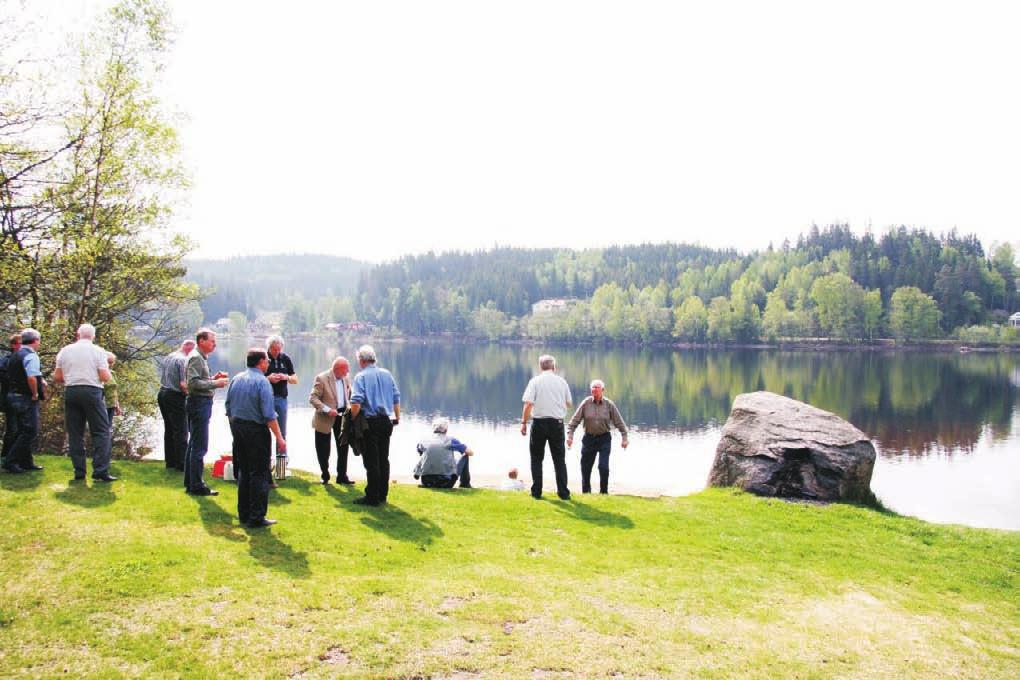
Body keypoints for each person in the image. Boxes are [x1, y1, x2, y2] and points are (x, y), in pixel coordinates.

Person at [225, 348, 286, 528]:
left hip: (238, 427)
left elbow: (228, 407)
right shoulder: (262, 382)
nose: (268, 363)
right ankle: (257, 516)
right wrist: (280, 438)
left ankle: (243, 513)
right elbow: (269, 414)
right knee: (259, 472)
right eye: (266, 360)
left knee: (244, 470)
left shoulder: (236, 379)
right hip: (256, 430)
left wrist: (236, 428)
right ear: (260, 362)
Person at [53, 324, 114, 482]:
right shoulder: (98, 351)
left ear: (77, 334)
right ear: (93, 336)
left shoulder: (65, 351)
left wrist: (74, 377)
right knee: (101, 431)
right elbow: (105, 376)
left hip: (71, 391)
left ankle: (79, 470)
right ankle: (100, 470)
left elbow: (58, 377)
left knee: (75, 433)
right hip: (92, 391)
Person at [349, 344, 400, 506]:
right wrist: (397, 417)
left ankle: (372, 496)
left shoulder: (361, 377)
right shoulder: (387, 374)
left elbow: (356, 402)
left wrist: (351, 420)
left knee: (372, 461)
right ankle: (382, 494)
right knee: (383, 459)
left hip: (370, 423)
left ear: (362, 360)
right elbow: (396, 397)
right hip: (386, 421)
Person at [521, 354, 572, 500]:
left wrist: (524, 423)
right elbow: (569, 403)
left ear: (540, 367)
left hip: (539, 423)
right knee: (559, 459)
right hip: (557, 423)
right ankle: (563, 492)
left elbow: (528, 404)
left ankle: (537, 491)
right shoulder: (562, 382)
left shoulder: (535, 381)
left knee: (536, 458)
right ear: (554, 367)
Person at [183, 329, 228, 496]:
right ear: (201, 341)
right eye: (212, 341)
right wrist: (216, 383)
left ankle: (191, 482)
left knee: (194, 444)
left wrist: (212, 379)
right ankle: (197, 485)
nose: (214, 344)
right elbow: (193, 384)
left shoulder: (199, 357)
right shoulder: (196, 357)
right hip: (199, 403)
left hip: (199, 403)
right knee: (200, 446)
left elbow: (198, 380)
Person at [567, 379, 629, 494]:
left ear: (602, 390)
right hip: (589, 439)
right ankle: (586, 492)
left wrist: (624, 438)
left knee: (603, 467)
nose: (594, 390)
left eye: (597, 387)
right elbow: (573, 422)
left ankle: (604, 492)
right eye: (593, 388)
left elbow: (619, 423)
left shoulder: (609, 405)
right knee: (586, 468)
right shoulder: (586, 403)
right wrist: (570, 436)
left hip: (604, 439)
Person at [2, 329, 46, 474]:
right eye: (39, 340)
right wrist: (35, 393)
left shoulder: (15, 355)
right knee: (30, 431)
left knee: (22, 429)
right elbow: (31, 377)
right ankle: (11, 460)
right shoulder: (31, 356)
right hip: (25, 397)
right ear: (35, 341)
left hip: (12, 395)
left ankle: (26, 461)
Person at [309, 356, 355, 485]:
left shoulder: (345, 378)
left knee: (343, 447)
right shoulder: (322, 378)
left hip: (342, 416)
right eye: (346, 370)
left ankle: (342, 476)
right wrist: (327, 409)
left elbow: (349, 395)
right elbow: (313, 398)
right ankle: (325, 475)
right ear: (338, 369)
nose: (347, 373)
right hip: (324, 418)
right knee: (323, 449)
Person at [157, 339, 195, 471]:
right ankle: (182, 463)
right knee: (181, 430)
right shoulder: (183, 360)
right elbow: (183, 384)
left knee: (169, 429)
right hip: (175, 396)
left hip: (163, 393)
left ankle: (170, 461)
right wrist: (192, 395)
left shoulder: (169, 356)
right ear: (189, 349)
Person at [413, 417, 473, 489]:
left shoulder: (424, 440)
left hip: (426, 481)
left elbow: (420, 452)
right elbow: (470, 452)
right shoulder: (451, 440)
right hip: (446, 483)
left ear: (433, 429)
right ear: (446, 430)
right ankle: (465, 483)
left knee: (424, 455)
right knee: (465, 456)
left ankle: (418, 474)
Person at [1, 332, 23, 466]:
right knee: (12, 429)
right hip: (10, 397)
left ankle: (18, 457)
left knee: (23, 429)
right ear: (14, 345)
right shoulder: (7, 359)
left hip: (23, 397)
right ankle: (6, 456)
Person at [103, 353, 122, 425]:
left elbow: (115, 390)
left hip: (112, 405)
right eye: (110, 362)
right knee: (103, 427)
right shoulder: (100, 373)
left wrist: (117, 405)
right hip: (103, 404)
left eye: (112, 362)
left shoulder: (112, 373)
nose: (111, 364)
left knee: (108, 427)